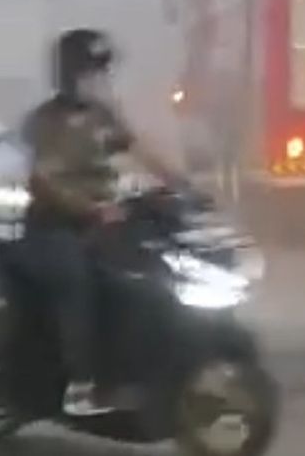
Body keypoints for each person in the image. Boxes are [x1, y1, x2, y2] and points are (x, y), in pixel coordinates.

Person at [14, 28, 188, 417]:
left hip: (102, 221)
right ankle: (80, 385)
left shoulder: (102, 116)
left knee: (154, 265)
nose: (100, 81)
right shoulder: (46, 122)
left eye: (103, 73)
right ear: (70, 75)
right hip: (53, 228)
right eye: (92, 73)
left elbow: (139, 149)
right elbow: (44, 181)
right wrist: (90, 209)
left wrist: (180, 183)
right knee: (79, 280)